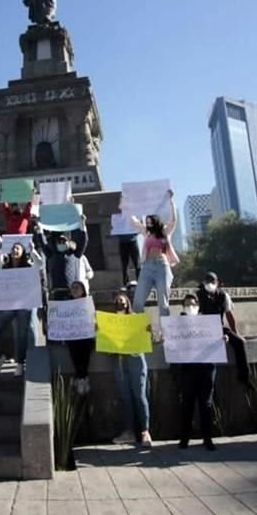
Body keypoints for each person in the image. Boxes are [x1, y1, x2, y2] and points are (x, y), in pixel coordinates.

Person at [174, 293, 218, 451]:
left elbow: (219, 334)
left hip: (206, 368)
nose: (190, 307)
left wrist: (223, 338)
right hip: (188, 369)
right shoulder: (178, 323)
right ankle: (185, 438)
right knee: (187, 404)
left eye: (193, 304)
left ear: (198, 305)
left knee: (206, 404)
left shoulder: (207, 321)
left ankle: (208, 438)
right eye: (187, 305)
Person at [110, 291, 152, 447]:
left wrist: (148, 330)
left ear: (128, 303)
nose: (120, 303)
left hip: (136, 359)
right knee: (125, 397)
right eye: (117, 302)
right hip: (119, 361)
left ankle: (145, 431)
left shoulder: (136, 319)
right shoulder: (110, 322)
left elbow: (148, 337)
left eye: (122, 301)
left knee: (139, 395)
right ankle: (128, 432)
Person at [197, 273, 252, 389]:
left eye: (212, 281)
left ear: (217, 283)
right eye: (207, 281)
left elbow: (229, 315)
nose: (210, 284)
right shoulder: (197, 296)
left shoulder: (223, 295)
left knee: (239, 342)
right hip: (203, 329)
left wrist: (236, 332)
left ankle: (244, 377)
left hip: (219, 327)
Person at [129, 190, 179, 319]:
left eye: (150, 222)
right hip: (147, 267)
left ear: (156, 221)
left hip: (162, 266)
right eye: (147, 222)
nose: (148, 224)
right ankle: (141, 332)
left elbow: (174, 220)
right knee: (138, 302)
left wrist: (171, 201)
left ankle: (166, 333)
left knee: (163, 303)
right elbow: (135, 221)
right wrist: (130, 205)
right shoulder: (147, 233)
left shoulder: (165, 232)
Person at [0, 243, 33, 376]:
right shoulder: (6, 267)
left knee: (22, 334)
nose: (15, 250)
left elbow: (38, 270)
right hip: (9, 305)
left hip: (23, 305)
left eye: (18, 248)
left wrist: (33, 251)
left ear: (23, 252)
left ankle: (20, 363)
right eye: (13, 248)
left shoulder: (28, 267)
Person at [65, 281, 95, 395]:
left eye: (77, 287)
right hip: (72, 337)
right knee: (74, 352)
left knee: (85, 352)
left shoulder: (88, 303)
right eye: (72, 288)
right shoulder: (65, 305)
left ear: (83, 290)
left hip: (86, 336)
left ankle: (81, 377)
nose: (75, 289)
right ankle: (82, 377)